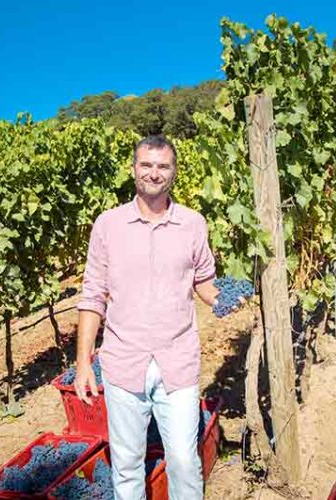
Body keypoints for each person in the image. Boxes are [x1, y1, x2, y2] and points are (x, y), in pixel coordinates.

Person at [74, 135, 242, 499]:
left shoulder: (193, 224)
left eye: (163, 166)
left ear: (174, 172)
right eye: (146, 165)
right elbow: (93, 295)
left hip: (177, 361)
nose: (154, 173)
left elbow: (203, 281)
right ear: (133, 169)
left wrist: (225, 299)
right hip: (123, 361)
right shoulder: (108, 225)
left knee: (183, 459)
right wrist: (83, 363)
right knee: (128, 462)